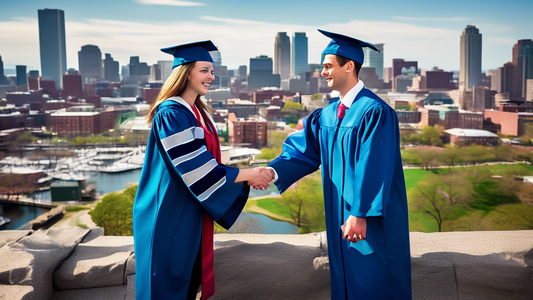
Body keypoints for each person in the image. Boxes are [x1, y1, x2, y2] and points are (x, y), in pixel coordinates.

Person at [266, 30, 412, 299]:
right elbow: (305, 151)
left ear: (349, 66)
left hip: (368, 222)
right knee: (345, 282)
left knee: (374, 281)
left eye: (328, 66)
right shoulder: (327, 114)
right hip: (340, 221)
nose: (323, 72)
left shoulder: (375, 112)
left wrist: (359, 214)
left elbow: (374, 166)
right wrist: (271, 171)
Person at [132, 40, 272, 300]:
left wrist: (246, 173)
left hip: (186, 212)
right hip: (166, 214)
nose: (211, 77)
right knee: (162, 287)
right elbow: (199, 170)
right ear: (185, 73)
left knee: (186, 283)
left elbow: (206, 163)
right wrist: (250, 174)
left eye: (212, 71)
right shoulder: (171, 113)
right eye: (204, 70)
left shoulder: (196, 113)